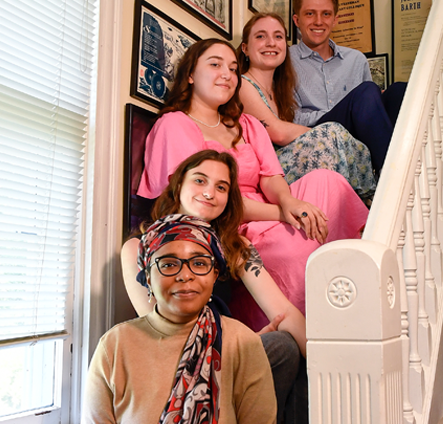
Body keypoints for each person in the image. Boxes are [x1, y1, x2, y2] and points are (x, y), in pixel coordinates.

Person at [137, 38, 368, 333]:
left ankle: (359, 269)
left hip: (269, 207)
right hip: (230, 223)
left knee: (328, 181)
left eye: (233, 69)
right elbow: (206, 200)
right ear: (191, 74)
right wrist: (281, 214)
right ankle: (314, 325)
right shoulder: (175, 124)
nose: (227, 74)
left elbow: (271, 177)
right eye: (215, 64)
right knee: (297, 246)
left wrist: (288, 202)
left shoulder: (246, 123)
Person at [122, 149, 307, 423]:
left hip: (231, 357)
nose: (210, 193)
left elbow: (283, 311)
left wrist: (328, 365)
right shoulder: (137, 248)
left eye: (221, 187)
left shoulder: (234, 246)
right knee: (282, 348)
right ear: (178, 184)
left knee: (295, 349)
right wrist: (236, 345)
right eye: (200, 180)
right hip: (176, 364)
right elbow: (159, 330)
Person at [84, 215, 277, 423]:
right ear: (148, 277)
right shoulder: (114, 346)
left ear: (214, 274)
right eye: (168, 264)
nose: (185, 275)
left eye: (199, 263)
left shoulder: (243, 343)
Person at [236, 12, 376, 202]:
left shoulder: (281, 92)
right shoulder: (243, 84)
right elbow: (277, 132)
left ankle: (361, 203)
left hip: (285, 165)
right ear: (245, 48)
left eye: (278, 37)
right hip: (269, 175)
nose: (271, 43)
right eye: (261, 36)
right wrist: (330, 134)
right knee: (332, 133)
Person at [290, 0, 409, 173]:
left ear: (335, 20)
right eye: (310, 14)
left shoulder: (356, 59)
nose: (318, 21)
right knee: (368, 92)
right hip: (319, 132)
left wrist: (361, 111)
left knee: (399, 91)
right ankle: (396, 174)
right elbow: (291, 118)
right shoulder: (286, 60)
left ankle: (402, 164)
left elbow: (369, 109)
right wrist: (348, 111)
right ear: (297, 20)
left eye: (326, 14)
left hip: (356, 133)